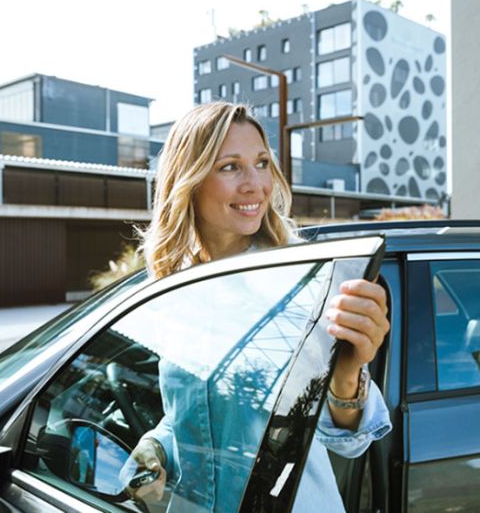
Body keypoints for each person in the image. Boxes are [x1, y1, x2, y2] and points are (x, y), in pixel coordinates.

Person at [128, 102, 391, 512]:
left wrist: (347, 373)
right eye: (230, 166)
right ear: (189, 179)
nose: (256, 184)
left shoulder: (306, 282)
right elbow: (202, 411)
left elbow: (349, 440)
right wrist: (156, 445)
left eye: (262, 163)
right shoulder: (175, 285)